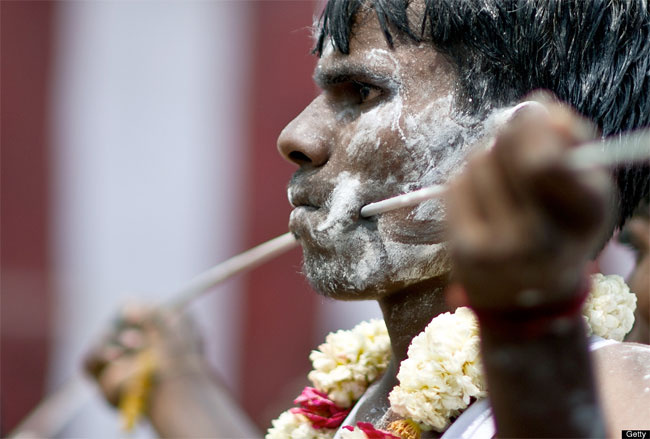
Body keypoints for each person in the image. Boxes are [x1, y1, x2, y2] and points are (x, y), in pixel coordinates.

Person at [85, 0, 650, 437]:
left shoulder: (630, 396)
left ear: (513, 145)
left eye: (361, 90)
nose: (296, 138)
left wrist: (529, 325)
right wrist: (178, 383)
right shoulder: (345, 403)